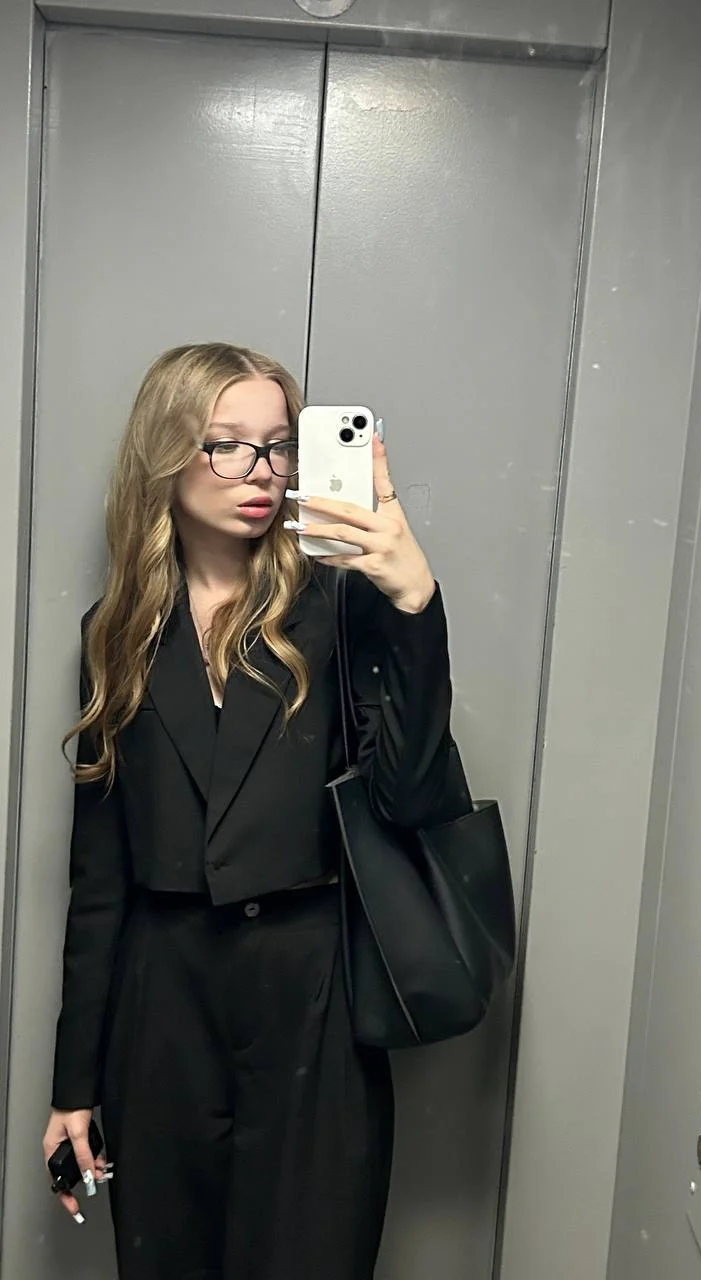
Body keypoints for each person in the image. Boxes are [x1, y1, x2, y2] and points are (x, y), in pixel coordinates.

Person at [42, 342, 453, 1280]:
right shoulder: (116, 633)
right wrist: (74, 1086)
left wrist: (414, 603)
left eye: (278, 445)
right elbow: (97, 881)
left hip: (315, 1001)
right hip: (162, 1011)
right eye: (226, 444)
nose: (261, 471)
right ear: (166, 454)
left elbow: (412, 797)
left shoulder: (341, 608)